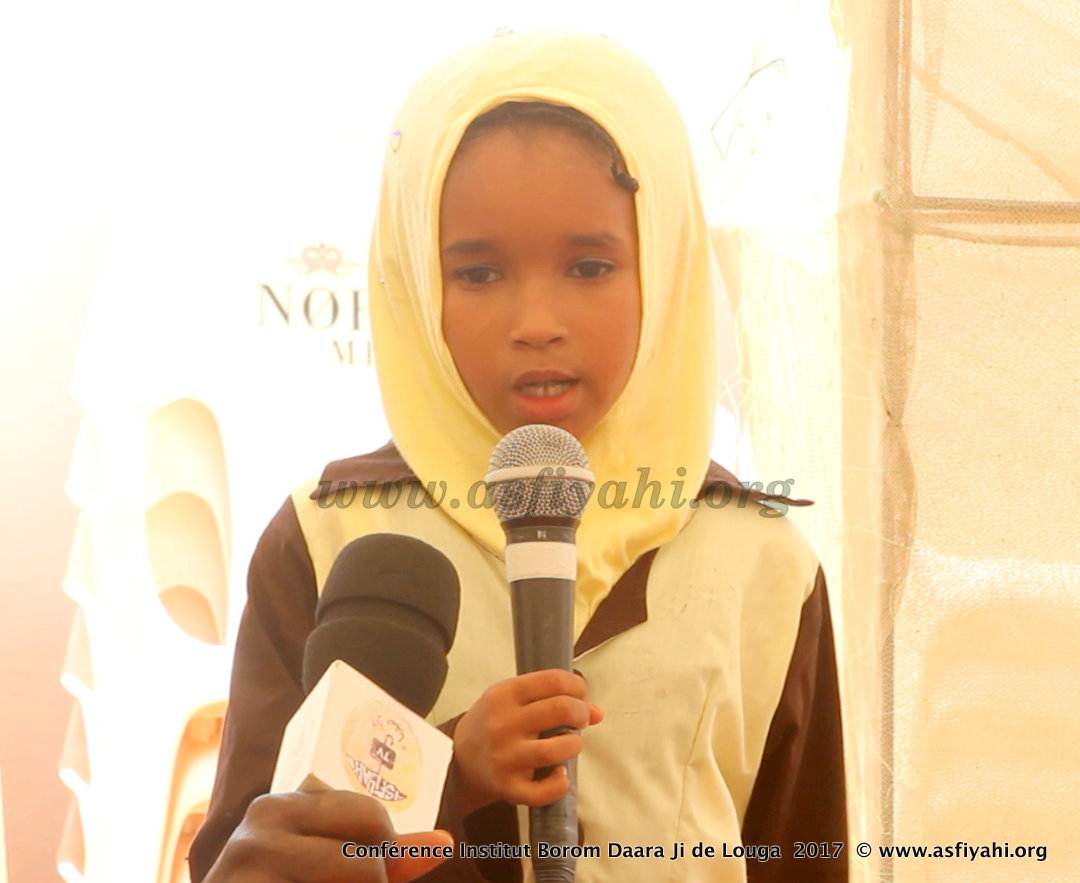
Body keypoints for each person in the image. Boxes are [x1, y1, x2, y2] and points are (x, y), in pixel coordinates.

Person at [188, 30, 846, 883]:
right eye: (479, 274)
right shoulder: (328, 538)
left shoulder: (762, 560)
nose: (537, 319)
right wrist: (447, 768)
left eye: (588, 264)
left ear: (668, 262)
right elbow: (246, 860)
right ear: (419, 281)